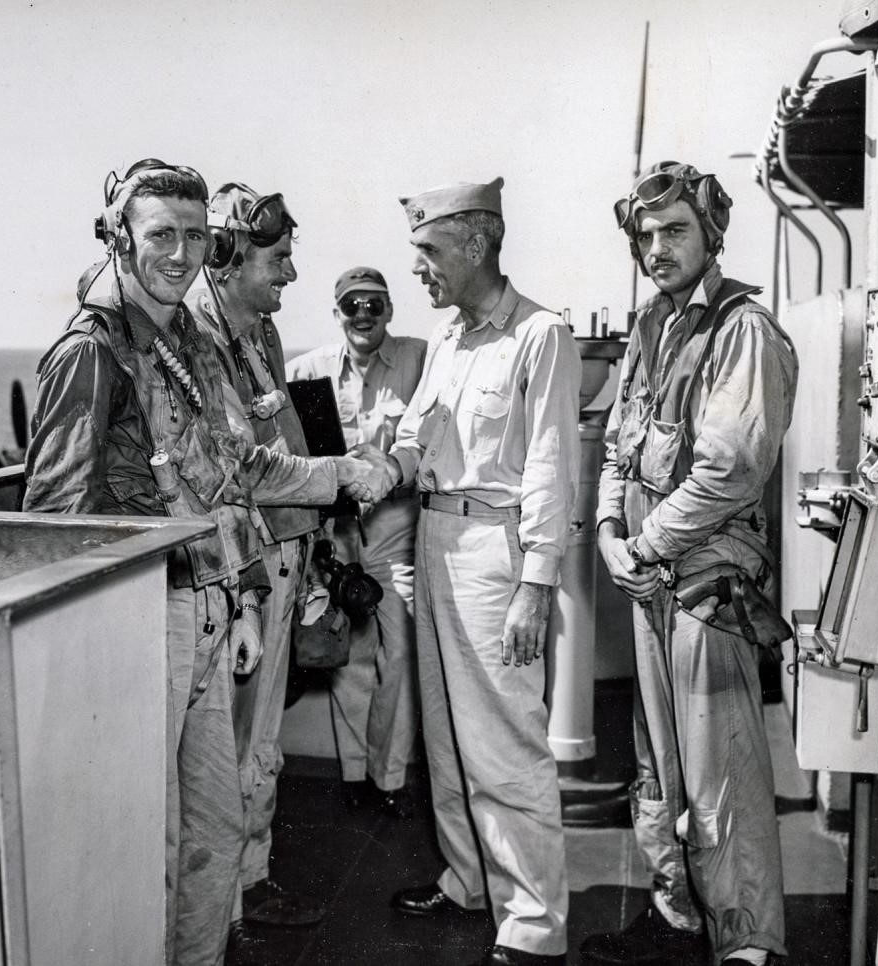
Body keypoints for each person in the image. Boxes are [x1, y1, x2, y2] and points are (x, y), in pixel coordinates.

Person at [22, 159, 373, 966]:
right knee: (155, 836)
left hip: (211, 607)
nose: (179, 255)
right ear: (118, 238)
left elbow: (220, 476)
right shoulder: (90, 353)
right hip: (145, 619)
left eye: (193, 236)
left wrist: (245, 593)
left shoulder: (184, 340)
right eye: (159, 236)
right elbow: (54, 523)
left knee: (214, 827)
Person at [359, 178, 581, 966]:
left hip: (496, 552)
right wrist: (382, 464)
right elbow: (420, 439)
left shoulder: (540, 336)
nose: (417, 267)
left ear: (477, 243)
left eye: (427, 250)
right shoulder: (450, 340)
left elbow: (554, 464)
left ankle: (532, 924)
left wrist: (536, 584)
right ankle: (470, 879)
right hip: (433, 542)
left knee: (504, 744)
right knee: (449, 737)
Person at [581, 161, 797, 966]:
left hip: (706, 584)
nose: (657, 248)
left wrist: (642, 545)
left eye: (674, 231)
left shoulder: (743, 330)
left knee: (720, 777)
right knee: (659, 765)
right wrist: (608, 530)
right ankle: (678, 917)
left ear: (712, 233)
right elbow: (616, 448)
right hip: (649, 580)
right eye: (645, 235)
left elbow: (729, 470)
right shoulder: (650, 329)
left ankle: (748, 946)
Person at [188, 183, 325, 935]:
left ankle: (254, 873)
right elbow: (234, 470)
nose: (290, 276)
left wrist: (318, 536)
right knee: (233, 739)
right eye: (278, 260)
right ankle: (226, 904)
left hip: (286, 552)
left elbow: (287, 440)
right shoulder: (198, 342)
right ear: (227, 254)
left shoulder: (263, 336)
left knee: (262, 734)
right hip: (241, 566)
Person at [287, 266, 426, 818]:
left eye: (374, 305)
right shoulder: (306, 371)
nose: (363, 316)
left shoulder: (421, 360)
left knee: (403, 662)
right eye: (352, 306)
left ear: (389, 309)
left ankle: (388, 779)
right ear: (337, 311)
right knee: (349, 662)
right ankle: (353, 778)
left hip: (398, 542)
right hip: (340, 546)